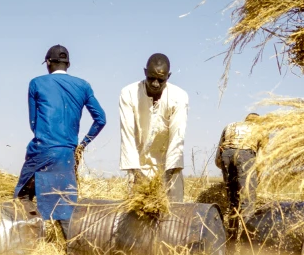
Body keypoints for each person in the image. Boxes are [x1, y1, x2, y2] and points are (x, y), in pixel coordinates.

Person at [15, 45, 106, 235]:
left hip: (42, 149)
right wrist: (81, 145)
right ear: (68, 64)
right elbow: (101, 119)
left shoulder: (36, 83)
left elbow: (33, 122)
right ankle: (70, 249)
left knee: (22, 196)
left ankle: (29, 239)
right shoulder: (83, 86)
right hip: (67, 154)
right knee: (64, 207)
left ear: (48, 63)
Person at [119, 53, 188, 202]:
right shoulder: (129, 93)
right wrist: (136, 172)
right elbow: (128, 134)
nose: (155, 84)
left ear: (168, 76)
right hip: (138, 163)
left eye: (161, 80)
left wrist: (166, 180)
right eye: (151, 78)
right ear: (145, 72)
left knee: (173, 213)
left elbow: (177, 136)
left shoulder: (179, 96)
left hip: (169, 166)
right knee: (137, 215)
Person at [215, 113, 264, 240]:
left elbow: (218, 155)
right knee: (248, 200)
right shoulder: (260, 129)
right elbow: (262, 160)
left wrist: (227, 170)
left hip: (226, 155)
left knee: (233, 199)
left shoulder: (230, 125)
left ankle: (231, 237)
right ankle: (247, 240)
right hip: (245, 154)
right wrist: (257, 178)